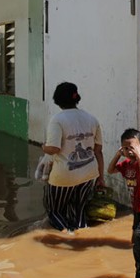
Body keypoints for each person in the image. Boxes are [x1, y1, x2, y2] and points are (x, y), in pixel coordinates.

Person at [42, 81, 105, 232]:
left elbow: (54, 148)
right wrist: (101, 177)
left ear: (57, 100)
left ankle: (66, 235)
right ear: (76, 97)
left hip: (64, 176)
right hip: (89, 174)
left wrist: (43, 147)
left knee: (55, 211)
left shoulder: (57, 120)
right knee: (78, 211)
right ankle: (83, 234)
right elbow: (98, 151)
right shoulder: (92, 119)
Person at [107, 128, 140, 239]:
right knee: (136, 232)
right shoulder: (126, 164)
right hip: (136, 204)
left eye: (132, 148)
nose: (129, 151)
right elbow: (110, 170)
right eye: (126, 148)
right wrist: (118, 154)